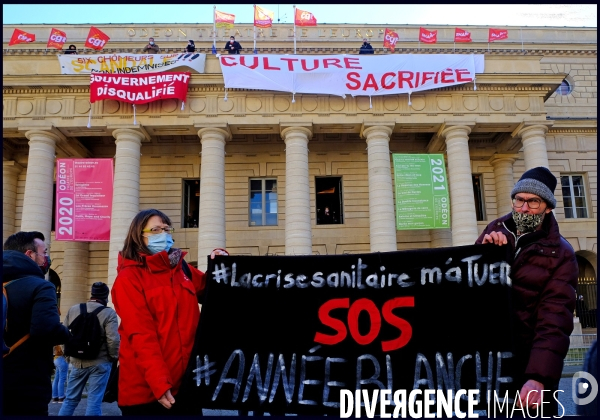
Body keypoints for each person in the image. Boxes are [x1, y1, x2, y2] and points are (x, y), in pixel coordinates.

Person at [476, 166, 577, 415]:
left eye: (533, 202)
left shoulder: (561, 254)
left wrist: (538, 377)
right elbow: (471, 286)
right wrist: (486, 253)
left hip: (528, 364)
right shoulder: (494, 230)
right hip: (491, 362)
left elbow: (554, 320)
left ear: (548, 207)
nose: (523, 208)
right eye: (519, 200)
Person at [112, 208, 229, 415]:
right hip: (148, 392)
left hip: (187, 386)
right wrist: (159, 382)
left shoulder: (181, 269)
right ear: (139, 236)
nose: (163, 234)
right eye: (155, 230)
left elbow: (211, 291)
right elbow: (141, 335)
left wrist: (220, 264)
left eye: (166, 229)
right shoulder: (129, 278)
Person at [2, 231, 71, 416]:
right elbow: (45, 329)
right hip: (25, 380)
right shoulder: (40, 286)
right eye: (45, 252)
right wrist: (68, 334)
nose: (46, 257)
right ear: (29, 254)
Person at [58, 282, 120, 416]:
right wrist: (113, 357)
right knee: (94, 402)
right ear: (105, 296)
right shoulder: (109, 313)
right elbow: (113, 339)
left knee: (70, 400)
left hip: (77, 362)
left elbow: (64, 334)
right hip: (100, 361)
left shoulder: (74, 309)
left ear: (92, 293)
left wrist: (68, 355)